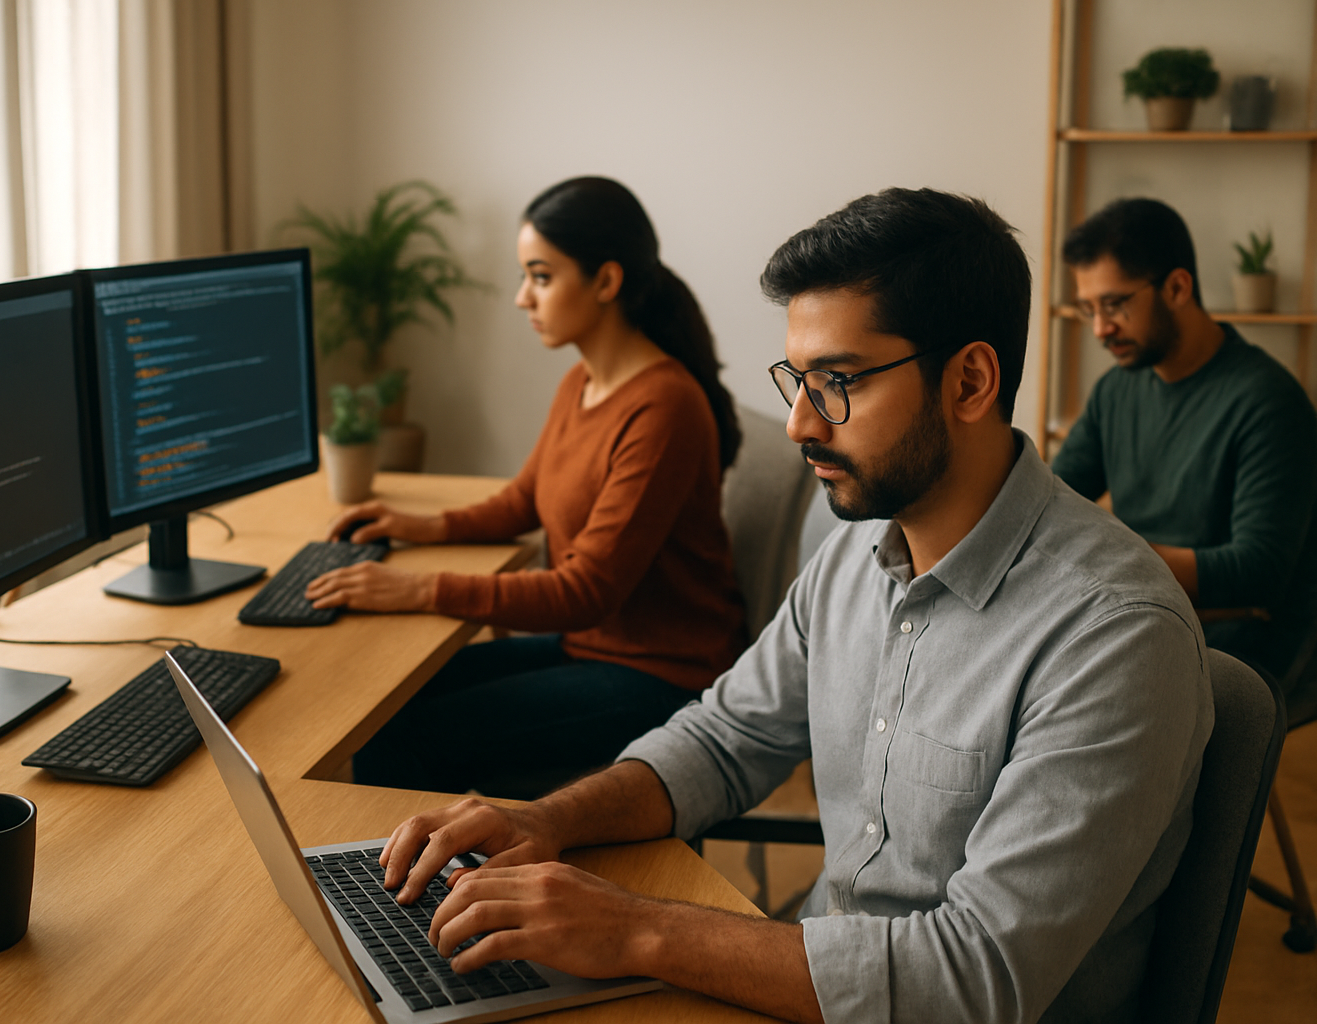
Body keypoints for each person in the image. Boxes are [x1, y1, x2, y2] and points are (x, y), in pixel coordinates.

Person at [372, 188, 1213, 1024]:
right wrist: (546, 819)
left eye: (839, 382)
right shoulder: (855, 554)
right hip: (817, 977)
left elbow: (973, 979)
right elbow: (725, 737)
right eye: (798, 381)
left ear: (969, 380)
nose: (800, 423)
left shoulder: (1114, 637)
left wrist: (636, 930)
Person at [307, 176, 749, 798]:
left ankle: (419, 889)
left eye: (540, 276)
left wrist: (414, 588)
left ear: (606, 282)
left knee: (410, 735)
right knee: (389, 700)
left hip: (663, 674)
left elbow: (584, 591)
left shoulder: (663, 407)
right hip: (593, 646)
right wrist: (419, 525)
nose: (522, 298)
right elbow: (524, 499)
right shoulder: (582, 382)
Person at [1051, 197, 1317, 685]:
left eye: (1115, 304)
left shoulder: (1269, 401)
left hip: (1239, 644)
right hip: (1146, 612)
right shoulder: (1118, 389)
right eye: (1088, 308)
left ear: (1177, 287)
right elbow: (1052, 495)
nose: (1100, 329)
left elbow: (1259, 569)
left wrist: (1115, 560)